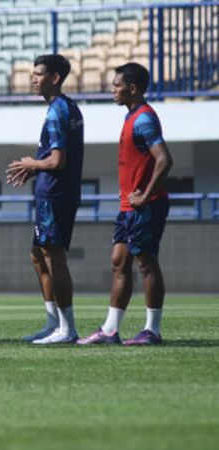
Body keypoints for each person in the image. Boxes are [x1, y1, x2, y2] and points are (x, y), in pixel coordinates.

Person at [78, 62, 173, 346]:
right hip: (128, 206)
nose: (112, 89)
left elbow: (165, 160)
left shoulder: (144, 118)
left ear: (132, 89)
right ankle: (109, 330)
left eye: (117, 85)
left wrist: (144, 195)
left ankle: (152, 331)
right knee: (119, 262)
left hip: (146, 205)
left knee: (146, 263)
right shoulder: (131, 116)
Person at [6, 54, 84, 345]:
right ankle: (54, 322)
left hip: (55, 195)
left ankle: (67, 328)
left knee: (53, 257)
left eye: (39, 74)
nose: (33, 78)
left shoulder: (57, 112)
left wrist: (31, 164)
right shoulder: (67, 107)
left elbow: (56, 161)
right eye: (33, 73)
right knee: (38, 256)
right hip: (53, 193)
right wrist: (34, 169)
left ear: (55, 78)